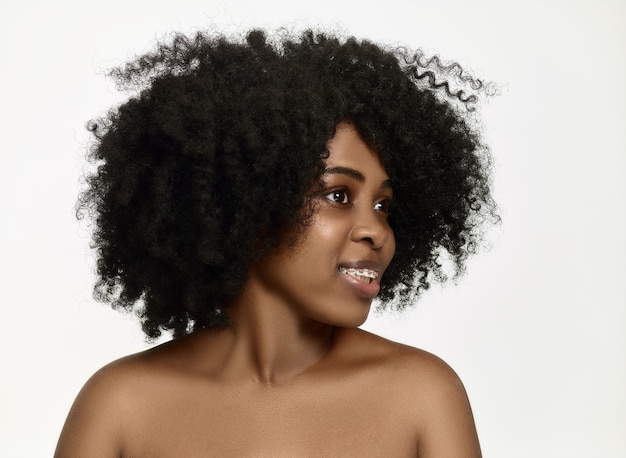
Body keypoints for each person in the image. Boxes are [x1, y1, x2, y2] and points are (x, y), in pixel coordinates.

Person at [55, 28, 496, 457]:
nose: (377, 231)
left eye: (383, 205)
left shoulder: (421, 396)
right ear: (251, 200)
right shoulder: (120, 407)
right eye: (338, 195)